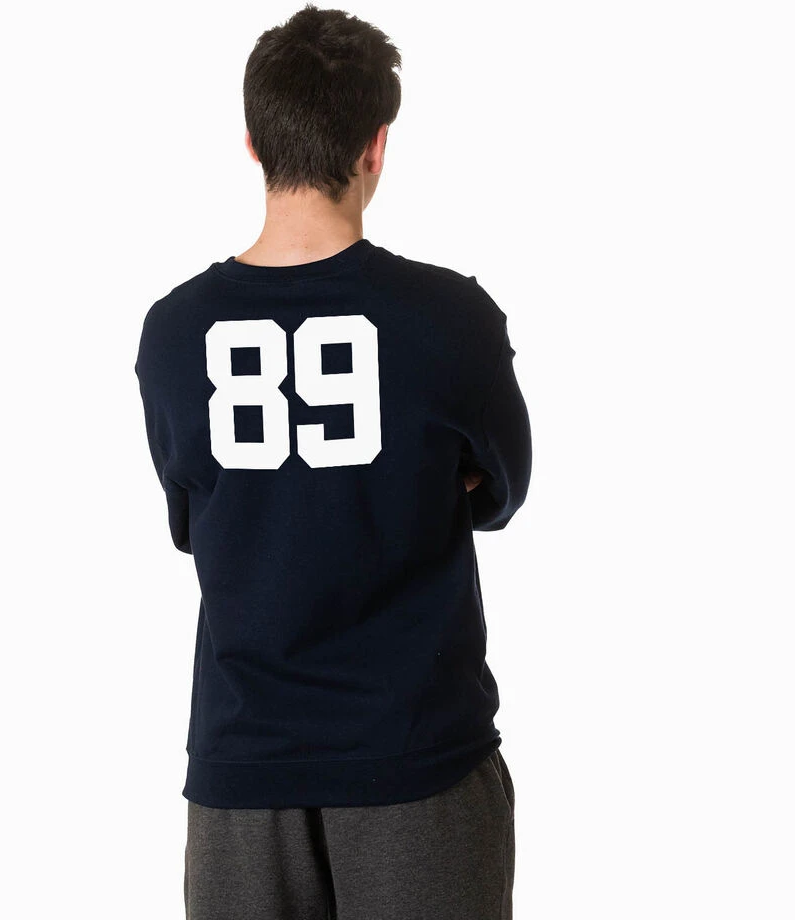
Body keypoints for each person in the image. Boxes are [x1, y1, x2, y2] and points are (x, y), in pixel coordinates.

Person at [134, 4, 532, 918]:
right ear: (376, 145)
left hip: (242, 772)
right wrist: (413, 483)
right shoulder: (451, 317)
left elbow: (193, 518)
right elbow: (503, 489)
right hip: (419, 760)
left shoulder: (173, 331)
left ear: (253, 142)